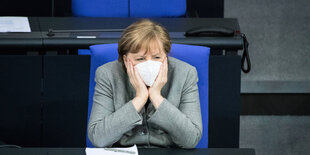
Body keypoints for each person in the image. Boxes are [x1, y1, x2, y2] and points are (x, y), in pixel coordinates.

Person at [88, 19, 202, 148]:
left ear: (166, 56)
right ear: (125, 59)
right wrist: (140, 98)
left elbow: (191, 139)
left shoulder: (185, 73)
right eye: (140, 59)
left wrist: (156, 97)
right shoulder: (107, 74)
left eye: (157, 57)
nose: (149, 64)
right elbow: (98, 138)